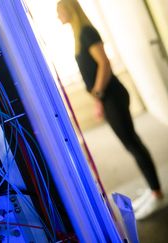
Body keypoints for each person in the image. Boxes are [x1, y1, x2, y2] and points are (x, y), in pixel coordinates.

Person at [57, 0, 164, 219]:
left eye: (60, 11)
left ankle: (157, 194)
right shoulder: (79, 35)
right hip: (108, 98)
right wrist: (99, 99)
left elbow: (104, 64)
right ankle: (153, 190)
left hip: (112, 96)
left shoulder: (87, 32)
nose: (58, 17)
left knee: (132, 143)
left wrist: (97, 95)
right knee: (130, 143)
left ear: (69, 10)